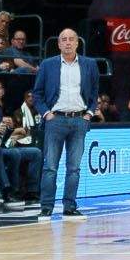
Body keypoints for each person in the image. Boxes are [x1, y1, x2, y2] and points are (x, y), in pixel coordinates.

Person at [29, 27, 103, 219]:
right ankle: (46, 207)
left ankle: (69, 207)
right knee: (50, 167)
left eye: (71, 39)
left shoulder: (89, 64)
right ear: (59, 44)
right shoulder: (48, 65)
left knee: (74, 168)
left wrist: (88, 114)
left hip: (79, 120)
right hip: (55, 120)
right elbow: (37, 94)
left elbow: (94, 93)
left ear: (78, 43)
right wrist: (46, 113)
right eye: (64, 39)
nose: (68, 42)